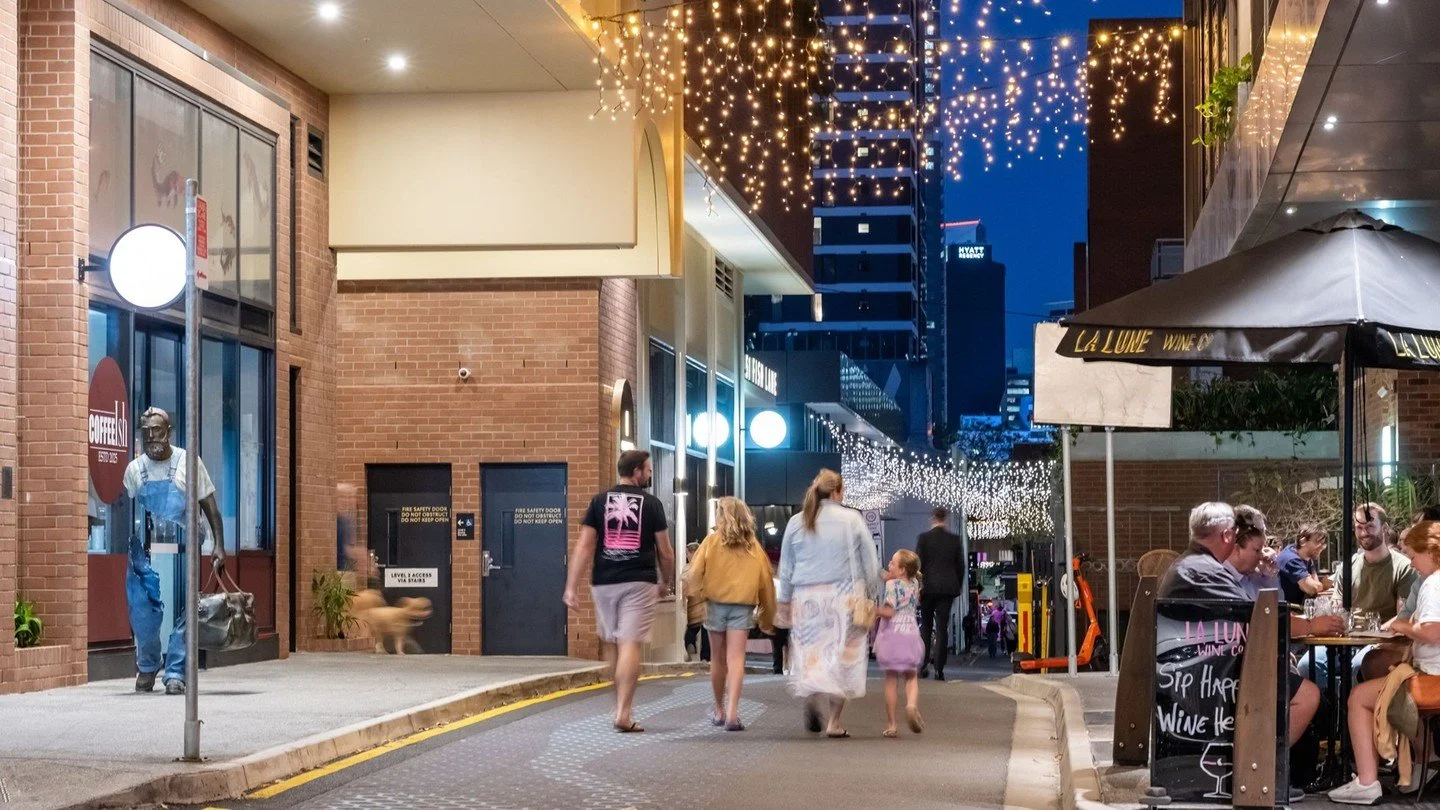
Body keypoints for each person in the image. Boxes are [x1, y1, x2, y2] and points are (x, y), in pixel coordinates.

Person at [1158, 503, 1342, 765]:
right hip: (1207, 679)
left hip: (1199, 669)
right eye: (1234, 534)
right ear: (1225, 536)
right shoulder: (1206, 571)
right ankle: (1259, 771)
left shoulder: (1193, 565)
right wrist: (1312, 626)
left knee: (1294, 681)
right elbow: (1259, 619)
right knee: (1307, 695)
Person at [1329, 520, 1440, 805]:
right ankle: (1420, 762)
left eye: (1414, 557)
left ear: (1431, 551)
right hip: (1430, 674)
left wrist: (1404, 628)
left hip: (1433, 680)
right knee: (1379, 672)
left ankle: (1367, 781)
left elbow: (1431, 631)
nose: (1412, 565)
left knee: (1359, 697)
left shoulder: (1435, 583)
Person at [563, 450, 675, 733]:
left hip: (604, 582)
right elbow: (665, 550)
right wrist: (666, 581)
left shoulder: (599, 501)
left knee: (613, 645)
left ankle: (618, 705)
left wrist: (571, 587)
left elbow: (585, 545)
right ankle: (624, 712)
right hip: (639, 581)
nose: (650, 474)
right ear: (636, 471)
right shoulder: (651, 504)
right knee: (629, 645)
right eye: (648, 470)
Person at [123, 407, 226, 695]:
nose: (152, 437)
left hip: (185, 547)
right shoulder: (134, 471)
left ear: (168, 432)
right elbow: (127, 512)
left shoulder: (188, 463)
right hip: (146, 549)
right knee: (141, 609)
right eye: (146, 432)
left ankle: (176, 671)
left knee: (187, 608)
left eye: (157, 430)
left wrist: (218, 545)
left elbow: (210, 506)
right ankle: (147, 665)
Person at [776, 469, 882, 739]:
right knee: (844, 658)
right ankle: (834, 723)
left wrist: (784, 601)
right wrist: (873, 592)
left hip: (806, 598)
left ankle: (812, 696)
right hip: (844, 596)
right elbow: (871, 561)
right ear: (837, 492)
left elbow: (786, 566)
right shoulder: (852, 519)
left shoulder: (797, 521)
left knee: (812, 655)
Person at [685, 497, 776, 732]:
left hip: (715, 605)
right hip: (743, 607)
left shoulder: (711, 542)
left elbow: (694, 572)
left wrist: (696, 594)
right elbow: (767, 582)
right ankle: (733, 714)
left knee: (717, 659)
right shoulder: (753, 547)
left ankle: (718, 710)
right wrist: (767, 616)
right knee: (736, 659)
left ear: (721, 516)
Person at [875, 549, 926, 738]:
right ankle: (911, 706)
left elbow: (889, 612)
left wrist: (873, 611)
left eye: (892, 563)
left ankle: (892, 725)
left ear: (902, 569)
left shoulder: (891, 585)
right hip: (911, 633)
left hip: (893, 635)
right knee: (911, 676)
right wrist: (880, 571)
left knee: (891, 680)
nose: (889, 565)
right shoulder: (914, 583)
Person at [915, 507, 965, 680]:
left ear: (932, 518)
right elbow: (960, 566)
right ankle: (939, 668)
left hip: (928, 587)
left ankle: (922, 665)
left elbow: (918, 566)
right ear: (947, 519)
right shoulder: (954, 540)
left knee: (926, 627)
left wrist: (918, 588)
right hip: (947, 588)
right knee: (942, 627)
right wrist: (957, 586)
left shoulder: (923, 538)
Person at [1351, 503, 1416, 625]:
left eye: (1370, 526)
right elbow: (1337, 610)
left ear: (1384, 528)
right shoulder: (1348, 568)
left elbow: (1403, 617)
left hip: (1384, 639)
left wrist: (1374, 634)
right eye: (1359, 527)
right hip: (1348, 639)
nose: (1364, 532)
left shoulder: (1404, 567)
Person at [1223, 507, 1280, 598]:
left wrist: (1270, 576)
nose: (1262, 556)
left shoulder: (1255, 577)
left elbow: (1276, 607)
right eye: (1257, 550)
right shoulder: (1218, 582)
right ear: (1235, 549)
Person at [1276, 524, 1330, 606]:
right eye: (1318, 542)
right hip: (1285, 613)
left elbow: (1315, 584)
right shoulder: (1291, 559)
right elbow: (1312, 588)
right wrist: (1324, 585)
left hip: (1297, 610)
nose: (1321, 547)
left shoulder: (1307, 558)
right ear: (1303, 541)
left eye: (1323, 543)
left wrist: (1317, 585)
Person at [683, 542, 711, 663]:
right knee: (706, 632)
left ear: (689, 553)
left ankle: (690, 643)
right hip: (705, 605)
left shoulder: (687, 569)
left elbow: (684, 590)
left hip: (693, 607)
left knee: (691, 630)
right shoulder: (705, 567)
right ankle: (705, 658)